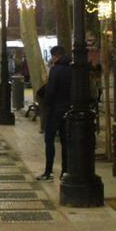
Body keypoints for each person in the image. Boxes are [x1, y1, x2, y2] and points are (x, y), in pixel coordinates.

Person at [37, 45, 71, 181]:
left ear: (55, 56)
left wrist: (47, 104)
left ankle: (48, 171)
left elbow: (50, 91)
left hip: (55, 109)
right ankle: (65, 171)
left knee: (49, 139)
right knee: (65, 141)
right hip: (68, 110)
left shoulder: (55, 70)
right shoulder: (72, 69)